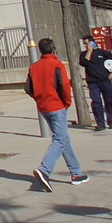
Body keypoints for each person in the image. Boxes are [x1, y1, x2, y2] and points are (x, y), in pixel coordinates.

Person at [27, 38, 89, 190]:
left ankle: (76, 173)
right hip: (56, 106)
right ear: (53, 49)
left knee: (63, 139)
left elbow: (28, 88)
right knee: (59, 140)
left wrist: (39, 99)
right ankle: (44, 169)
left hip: (44, 107)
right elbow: (64, 86)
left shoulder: (33, 67)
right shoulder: (57, 64)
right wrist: (66, 103)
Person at [81, 43, 112, 130]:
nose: (85, 45)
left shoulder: (102, 53)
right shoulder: (83, 54)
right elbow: (84, 63)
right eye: (84, 44)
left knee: (109, 101)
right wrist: (89, 51)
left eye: (87, 43)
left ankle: (111, 122)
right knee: (96, 102)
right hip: (93, 83)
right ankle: (100, 123)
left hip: (105, 81)